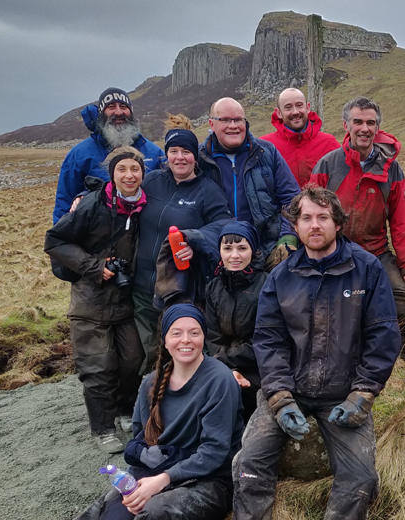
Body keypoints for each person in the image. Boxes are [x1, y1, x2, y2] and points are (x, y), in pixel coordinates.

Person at [232, 187, 402, 520]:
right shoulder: (281, 277)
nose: (314, 225)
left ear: (338, 223)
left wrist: (362, 394)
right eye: (306, 218)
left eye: (323, 217)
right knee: (248, 465)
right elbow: (268, 341)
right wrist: (279, 398)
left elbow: (383, 334)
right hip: (289, 388)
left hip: (342, 394)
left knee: (361, 478)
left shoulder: (367, 269)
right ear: (295, 226)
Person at [74, 303, 244, 520]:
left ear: (204, 337)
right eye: (176, 333)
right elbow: (140, 438)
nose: (186, 340)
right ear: (165, 340)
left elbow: (214, 451)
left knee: (152, 513)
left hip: (209, 479)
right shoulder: (150, 383)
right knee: (112, 515)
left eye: (194, 332)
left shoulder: (220, 380)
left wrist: (162, 480)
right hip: (156, 472)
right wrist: (144, 479)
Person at [311, 96, 405, 371]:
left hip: (376, 254)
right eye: (358, 122)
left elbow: (402, 221)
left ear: (377, 128)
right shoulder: (328, 165)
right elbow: (312, 216)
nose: (364, 128)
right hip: (334, 254)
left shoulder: (391, 168)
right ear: (346, 125)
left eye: (370, 123)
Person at [45, 146, 147, 453]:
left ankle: (125, 410)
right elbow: (55, 240)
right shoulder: (92, 204)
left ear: (142, 172)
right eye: (121, 170)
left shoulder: (143, 206)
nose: (129, 175)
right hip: (90, 300)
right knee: (98, 366)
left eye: (135, 169)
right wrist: (94, 268)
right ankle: (102, 427)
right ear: (112, 173)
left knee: (132, 360)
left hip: (126, 299)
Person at [133, 115, 232, 371]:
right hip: (142, 287)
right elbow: (121, 195)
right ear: (166, 155)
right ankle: (150, 403)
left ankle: (178, 403)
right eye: (173, 151)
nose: (179, 157)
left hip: (179, 290)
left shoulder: (207, 190)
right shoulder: (152, 181)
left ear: (195, 156)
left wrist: (195, 239)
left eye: (186, 151)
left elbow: (224, 225)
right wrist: (82, 197)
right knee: (148, 351)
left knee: (177, 353)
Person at [198, 97, 301, 270]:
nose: (233, 126)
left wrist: (288, 236)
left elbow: (292, 199)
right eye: (225, 120)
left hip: (267, 253)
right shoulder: (199, 158)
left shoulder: (267, 152)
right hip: (217, 255)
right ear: (212, 124)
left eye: (238, 120)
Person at [53, 87, 164, 224]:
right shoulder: (79, 155)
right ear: (101, 113)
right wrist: (61, 241)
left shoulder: (154, 153)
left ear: (131, 112)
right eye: (111, 107)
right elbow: (64, 204)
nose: (118, 112)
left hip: (145, 238)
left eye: (123, 106)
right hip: (96, 240)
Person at [205, 221, 268, 424]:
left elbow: (263, 341)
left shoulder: (267, 285)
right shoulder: (214, 287)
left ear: (253, 250)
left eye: (242, 248)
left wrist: (225, 362)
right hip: (223, 362)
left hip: (259, 367)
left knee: (232, 390)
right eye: (228, 248)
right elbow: (212, 335)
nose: (234, 255)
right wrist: (226, 367)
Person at [260, 88, 340, 189]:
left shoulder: (329, 143)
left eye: (299, 105)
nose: (295, 112)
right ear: (278, 113)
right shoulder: (266, 146)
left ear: (308, 107)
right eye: (288, 107)